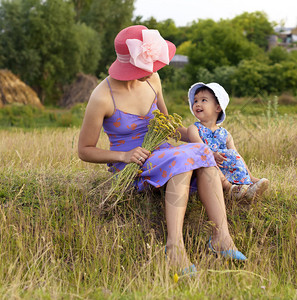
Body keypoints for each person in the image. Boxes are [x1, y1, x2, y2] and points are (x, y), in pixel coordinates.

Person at [77, 25, 246, 275]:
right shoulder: (102, 97)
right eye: (148, 66)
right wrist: (123, 155)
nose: (154, 70)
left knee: (198, 152)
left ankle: (221, 236)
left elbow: (166, 125)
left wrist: (200, 135)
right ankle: (175, 246)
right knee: (189, 156)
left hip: (165, 155)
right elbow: (84, 150)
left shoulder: (153, 79)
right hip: (133, 164)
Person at [187, 82, 269, 201]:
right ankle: (229, 188)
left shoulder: (225, 134)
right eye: (195, 101)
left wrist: (250, 176)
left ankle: (249, 183)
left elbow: (237, 156)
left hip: (226, 168)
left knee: (234, 156)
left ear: (218, 107)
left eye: (203, 100)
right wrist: (212, 154)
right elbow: (200, 148)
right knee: (210, 161)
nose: (197, 104)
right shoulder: (194, 129)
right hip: (205, 167)